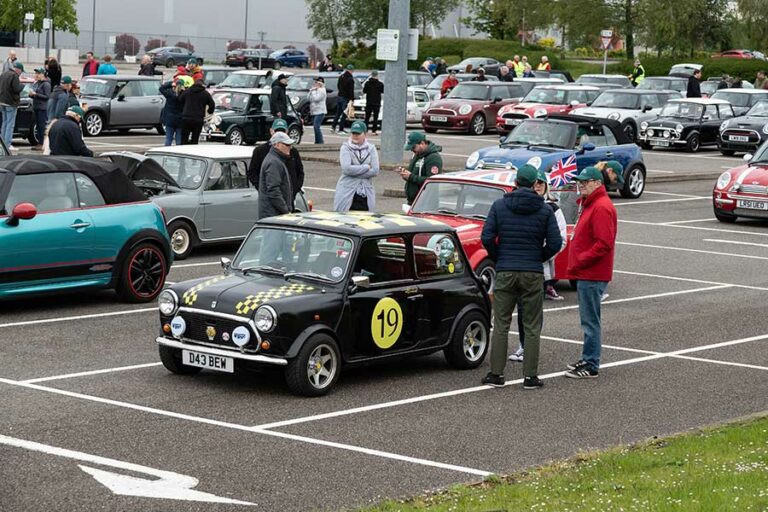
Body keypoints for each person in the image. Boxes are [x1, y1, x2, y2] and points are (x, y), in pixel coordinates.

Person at [480, 164, 562, 389]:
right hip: (532, 271)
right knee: (532, 325)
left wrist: (499, 257)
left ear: (515, 182)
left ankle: (496, 373)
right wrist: (538, 256)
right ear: (535, 183)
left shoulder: (500, 205)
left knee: (501, 324)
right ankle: (530, 376)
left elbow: (486, 237)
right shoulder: (545, 210)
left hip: (506, 269)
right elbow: (555, 242)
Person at [564, 167, 617, 379]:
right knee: (588, 319)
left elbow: (604, 243)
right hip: (588, 272)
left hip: (592, 273)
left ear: (596, 183)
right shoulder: (592, 204)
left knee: (590, 320)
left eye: (585, 182)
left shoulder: (601, 207)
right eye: (581, 182)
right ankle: (588, 358)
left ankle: (591, 364)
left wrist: (582, 259)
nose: (581, 186)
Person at [248, 118, 304, 204]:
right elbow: (252, 173)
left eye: (283, 131)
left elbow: (300, 172)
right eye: (277, 131)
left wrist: (294, 190)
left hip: (289, 198)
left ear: (287, 132)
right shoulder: (260, 151)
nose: (280, 134)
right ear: (271, 131)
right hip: (270, 200)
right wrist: (262, 189)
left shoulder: (293, 152)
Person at [334, 120, 379, 212]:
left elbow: (375, 170)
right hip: (347, 191)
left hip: (365, 193)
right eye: (353, 133)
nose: (355, 135)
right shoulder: (345, 148)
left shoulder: (371, 148)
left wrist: (354, 171)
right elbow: (346, 169)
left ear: (365, 134)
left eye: (358, 133)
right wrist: (366, 167)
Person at [258, 131, 295, 220]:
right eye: (287, 145)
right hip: (274, 215)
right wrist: (286, 211)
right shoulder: (274, 162)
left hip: (274, 214)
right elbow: (273, 190)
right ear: (277, 145)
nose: (290, 147)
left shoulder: (276, 160)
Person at [400, 132, 443, 204]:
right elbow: (413, 174)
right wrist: (405, 174)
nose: (412, 150)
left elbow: (433, 181)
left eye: (413, 147)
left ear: (422, 143)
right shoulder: (417, 155)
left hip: (426, 202)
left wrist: (411, 177)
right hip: (414, 200)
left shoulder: (433, 158)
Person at [179, 79, 214, 144]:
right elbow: (212, 104)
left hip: (186, 117)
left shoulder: (187, 91)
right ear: (202, 85)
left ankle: (183, 150)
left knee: (184, 138)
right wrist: (210, 111)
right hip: (198, 118)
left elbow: (180, 100)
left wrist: (183, 109)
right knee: (195, 138)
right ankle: (193, 150)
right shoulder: (205, 93)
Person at [0, 61, 24, 150]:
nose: (20, 73)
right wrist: (22, 86)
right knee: (10, 124)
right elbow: (16, 89)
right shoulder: (14, 76)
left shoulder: (4, 74)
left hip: (2, 102)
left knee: (4, 123)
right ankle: (8, 145)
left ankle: (2, 144)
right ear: (18, 70)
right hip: (11, 103)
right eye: (21, 71)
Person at [159, 77, 187, 145]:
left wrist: (171, 84)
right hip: (180, 120)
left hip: (170, 119)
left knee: (168, 139)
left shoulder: (170, 94)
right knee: (178, 140)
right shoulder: (184, 95)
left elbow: (161, 88)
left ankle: (167, 153)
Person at [28, 68, 51, 150]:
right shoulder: (37, 83)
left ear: (43, 74)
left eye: (38, 73)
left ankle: (42, 143)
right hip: (36, 107)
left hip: (42, 108)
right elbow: (33, 95)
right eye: (35, 73)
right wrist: (30, 94)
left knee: (41, 126)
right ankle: (40, 143)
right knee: (38, 126)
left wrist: (36, 94)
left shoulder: (46, 84)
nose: (36, 75)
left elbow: (47, 96)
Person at [332, 64, 355, 134]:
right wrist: (352, 99)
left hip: (339, 96)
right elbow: (351, 90)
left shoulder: (341, 76)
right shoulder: (350, 79)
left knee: (338, 113)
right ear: (351, 70)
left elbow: (338, 85)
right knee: (345, 113)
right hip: (345, 97)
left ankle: (333, 127)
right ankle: (341, 129)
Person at [362, 70, 383, 135]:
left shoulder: (367, 83)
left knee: (367, 117)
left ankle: (365, 130)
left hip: (369, 102)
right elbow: (382, 91)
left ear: (371, 75)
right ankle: (374, 131)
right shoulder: (380, 84)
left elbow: (364, 91)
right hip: (376, 102)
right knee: (375, 117)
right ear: (377, 75)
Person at [308, 76, 327, 144]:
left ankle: (320, 141)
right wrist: (311, 91)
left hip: (320, 111)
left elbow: (316, 99)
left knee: (316, 126)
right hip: (314, 111)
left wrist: (313, 92)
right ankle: (317, 141)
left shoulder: (322, 90)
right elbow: (309, 98)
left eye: (317, 82)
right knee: (315, 127)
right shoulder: (314, 90)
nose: (315, 83)